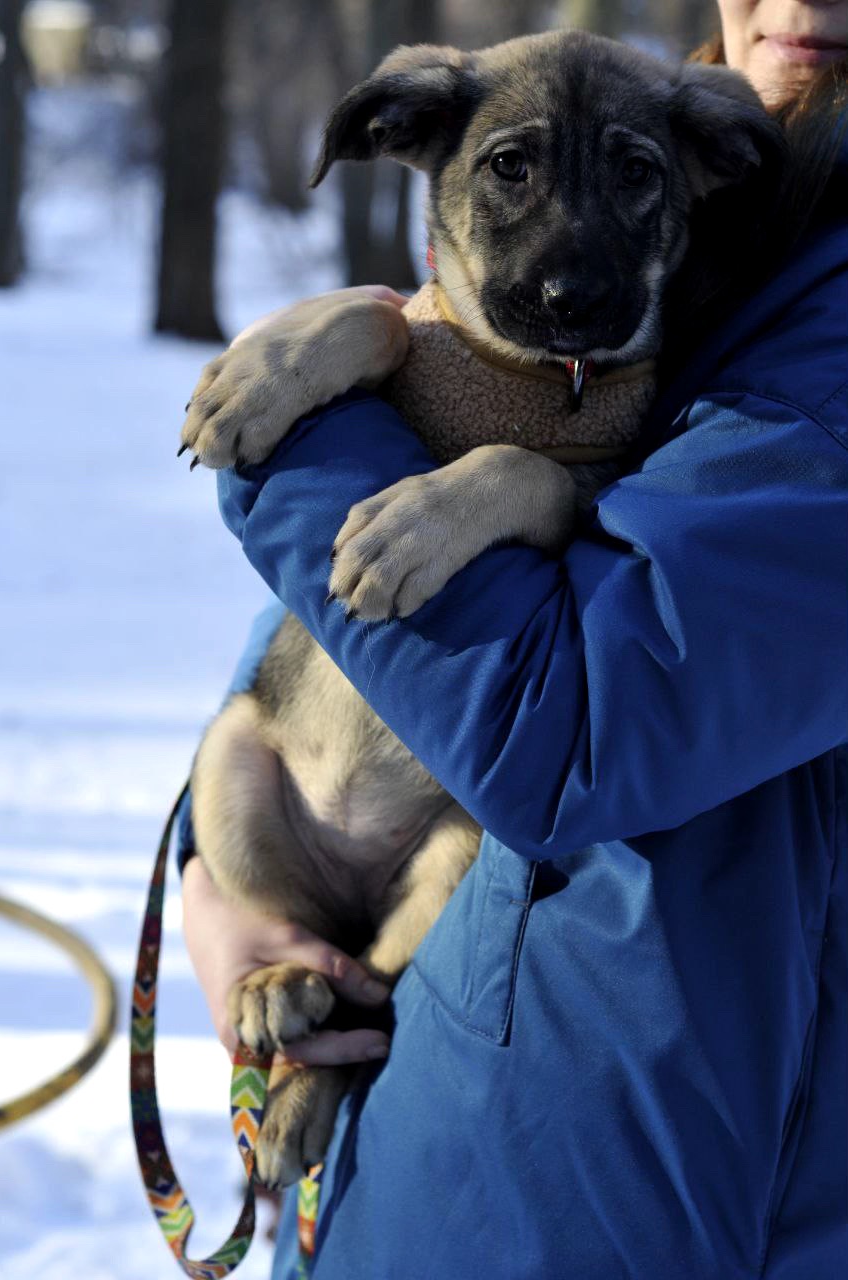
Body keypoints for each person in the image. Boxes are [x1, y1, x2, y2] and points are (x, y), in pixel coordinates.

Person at [180, 3, 848, 1276]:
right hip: (458, 1146)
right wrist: (236, 890)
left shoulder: (781, 263)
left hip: (624, 1201)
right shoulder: (740, 207)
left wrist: (302, 445)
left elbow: (572, 734)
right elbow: (334, 648)